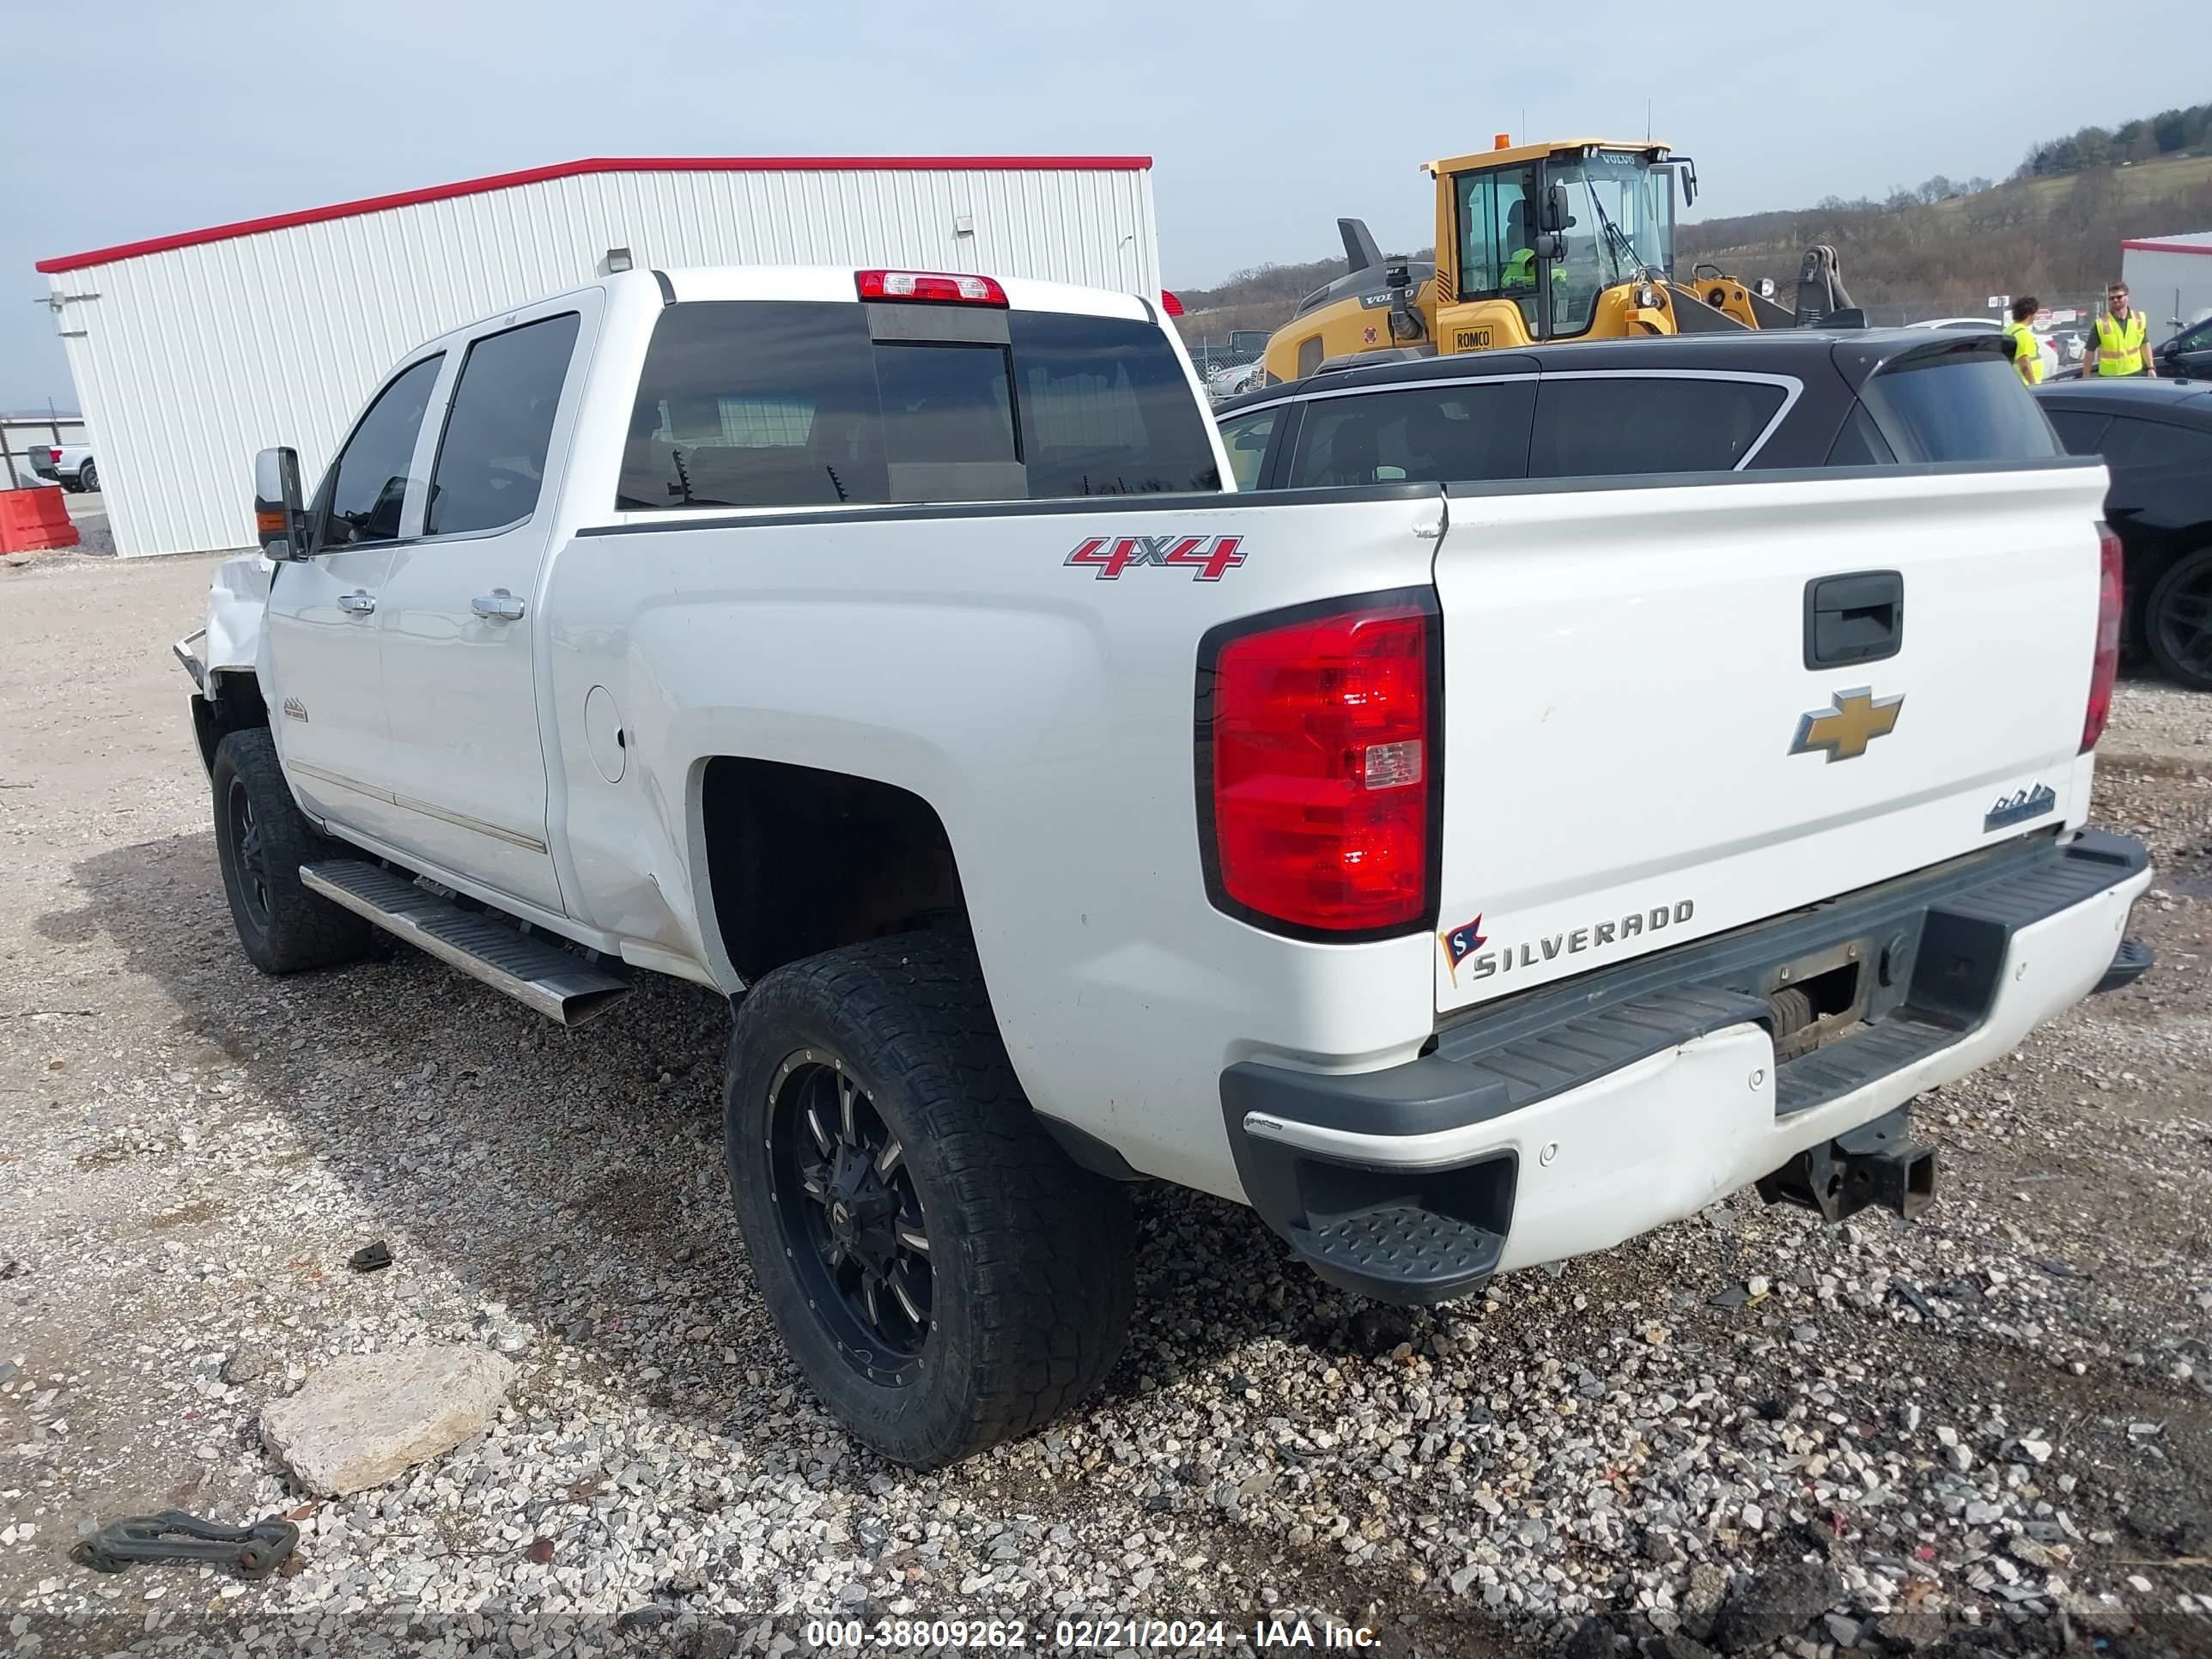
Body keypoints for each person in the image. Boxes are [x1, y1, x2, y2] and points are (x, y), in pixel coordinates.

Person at [2092, 282, 2157, 378]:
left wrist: (2151, 368)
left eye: (2119, 297)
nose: (2115, 300)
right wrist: (2086, 376)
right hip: (2109, 376)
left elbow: (2144, 343)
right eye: (2111, 298)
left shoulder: (2139, 318)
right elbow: (2089, 351)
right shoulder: (2101, 323)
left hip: (2135, 373)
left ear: (2127, 297)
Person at [2002, 295, 2044, 386]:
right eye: (2036, 313)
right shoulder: (2023, 334)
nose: (2036, 316)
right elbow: (2025, 364)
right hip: (2027, 385)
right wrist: (2034, 385)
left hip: (2015, 383)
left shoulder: (2008, 331)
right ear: (2029, 314)